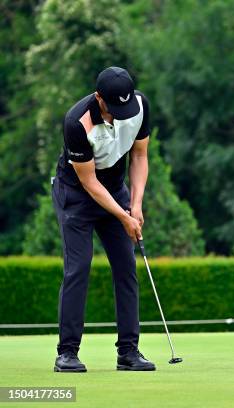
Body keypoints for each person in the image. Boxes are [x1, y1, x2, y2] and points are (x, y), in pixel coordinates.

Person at [52, 67, 155, 372]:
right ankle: (67, 352)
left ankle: (128, 352)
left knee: (126, 266)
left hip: (114, 189)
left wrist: (135, 206)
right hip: (76, 194)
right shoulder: (76, 122)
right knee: (78, 267)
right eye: (114, 107)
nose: (121, 115)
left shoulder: (139, 106)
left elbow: (139, 156)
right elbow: (89, 183)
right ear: (99, 98)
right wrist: (122, 216)